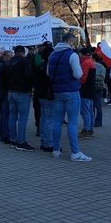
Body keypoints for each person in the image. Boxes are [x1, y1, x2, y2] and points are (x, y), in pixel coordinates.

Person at [47, 33, 92, 162]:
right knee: (72, 123)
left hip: (57, 92)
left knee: (57, 121)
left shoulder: (52, 54)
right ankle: (75, 152)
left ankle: (56, 150)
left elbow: (48, 73)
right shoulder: (72, 55)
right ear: (71, 41)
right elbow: (78, 74)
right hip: (71, 91)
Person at [4, 45, 34, 151]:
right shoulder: (24, 62)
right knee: (23, 118)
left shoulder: (9, 62)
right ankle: (21, 142)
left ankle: (13, 139)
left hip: (11, 92)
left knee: (12, 116)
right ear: (23, 52)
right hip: (22, 92)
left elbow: (5, 77)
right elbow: (29, 76)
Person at [33, 43, 54, 152]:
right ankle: (48, 143)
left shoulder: (41, 65)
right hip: (48, 95)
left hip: (40, 94)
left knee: (43, 118)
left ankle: (43, 141)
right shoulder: (49, 66)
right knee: (49, 119)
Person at [78, 47, 96, 138]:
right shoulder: (90, 62)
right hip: (90, 90)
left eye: (80, 53)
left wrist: (78, 84)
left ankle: (86, 129)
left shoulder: (85, 63)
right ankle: (90, 129)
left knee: (85, 111)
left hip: (85, 90)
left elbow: (83, 78)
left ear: (82, 54)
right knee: (89, 110)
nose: (78, 55)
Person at [92, 54, 106, 128]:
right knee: (98, 105)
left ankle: (92, 121)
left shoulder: (93, 65)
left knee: (93, 105)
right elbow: (103, 77)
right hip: (100, 87)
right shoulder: (102, 67)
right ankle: (99, 122)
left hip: (93, 87)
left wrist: (93, 77)